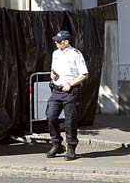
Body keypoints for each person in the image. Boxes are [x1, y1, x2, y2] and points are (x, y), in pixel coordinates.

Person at [46, 30, 88, 161]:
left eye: (58, 41)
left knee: (70, 121)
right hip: (56, 91)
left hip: (70, 92)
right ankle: (56, 144)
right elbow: (53, 70)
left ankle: (71, 148)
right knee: (50, 116)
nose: (56, 42)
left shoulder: (76, 54)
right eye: (55, 40)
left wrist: (70, 84)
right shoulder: (55, 53)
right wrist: (52, 74)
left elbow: (84, 74)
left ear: (66, 41)